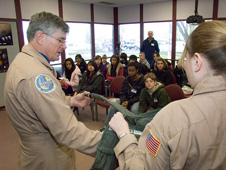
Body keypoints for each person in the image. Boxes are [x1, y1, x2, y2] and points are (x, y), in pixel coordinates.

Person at [109, 20, 226, 169]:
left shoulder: (173, 117)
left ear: (197, 62)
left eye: (186, 59)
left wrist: (124, 135)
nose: (184, 65)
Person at [4, 12, 102, 170]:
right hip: (49, 157)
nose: (64, 46)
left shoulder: (23, 62)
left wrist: (70, 100)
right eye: (60, 40)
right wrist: (110, 144)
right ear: (40, 37)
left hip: (36, 151)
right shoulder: (37, 75)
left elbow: (36, 104)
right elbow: (67, 129)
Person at [104, 62, 145, 127]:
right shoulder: (126, 79)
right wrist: (124, 101)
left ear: (137, 70)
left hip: (136, 100)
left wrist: (128, 102)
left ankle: (133, 127)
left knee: (134, 109)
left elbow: (140, 96)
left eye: (132, 71)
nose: (130, 72)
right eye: (129, 70)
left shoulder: (142, 80)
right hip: (126, 99)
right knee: (113, 106)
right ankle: (106, 126)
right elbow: (122, 92)